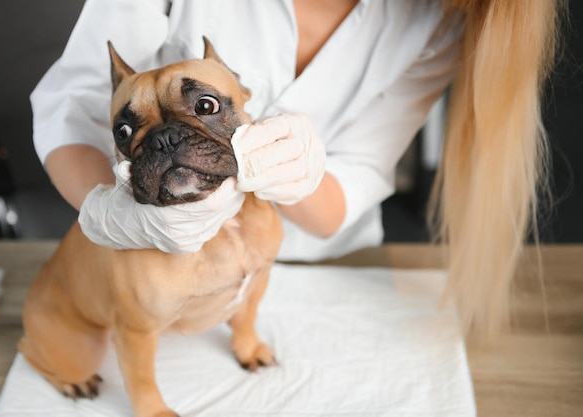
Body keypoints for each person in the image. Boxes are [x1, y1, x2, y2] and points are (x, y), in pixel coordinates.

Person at [31, 0, 562, 343]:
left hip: (311, 270)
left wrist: (291, 173)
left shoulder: (447, 16)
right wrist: (110, 213)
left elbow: (354, 180)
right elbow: (74, 103)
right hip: (147, 264)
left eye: (203, 107)